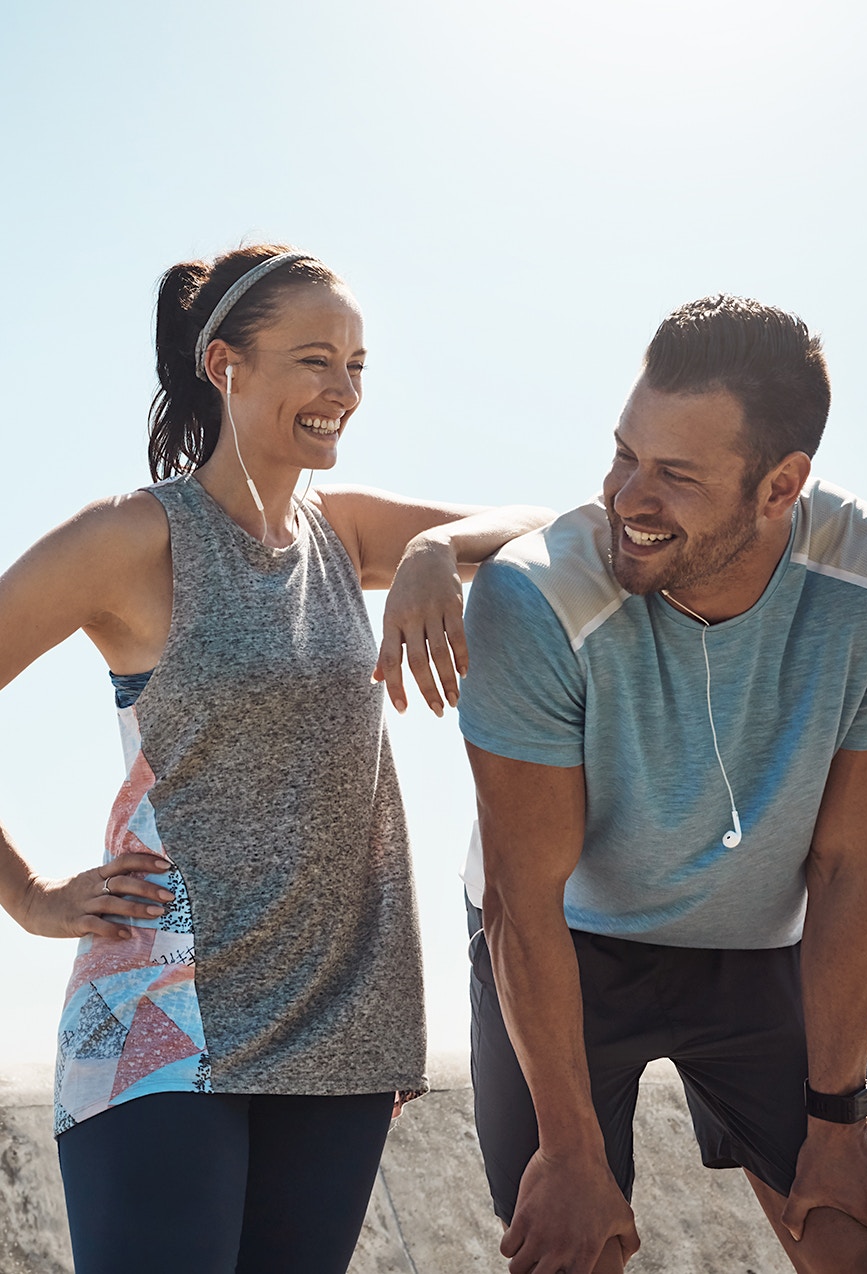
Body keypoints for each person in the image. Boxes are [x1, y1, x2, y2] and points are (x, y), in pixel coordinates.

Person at [0, 244, 550, 1274]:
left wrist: (435, 551)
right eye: (313, 360)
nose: (342, 390)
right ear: (226, 365)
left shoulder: (343, 532)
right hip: (168, 1013)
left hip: (343, 1011)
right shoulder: (133, 536)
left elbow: (558, 534)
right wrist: (26, 891)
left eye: (356, 364)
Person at [456, 295, 867, 1274]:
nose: (630, 495)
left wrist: (837, 1116)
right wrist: (569, 1148)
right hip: (566, 942)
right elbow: (525, 897)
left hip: (759, 947)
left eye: (675, 475)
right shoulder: (535, 596)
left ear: (781, 486)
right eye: (624, 452)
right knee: (571, 1243)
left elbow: (855, 866)